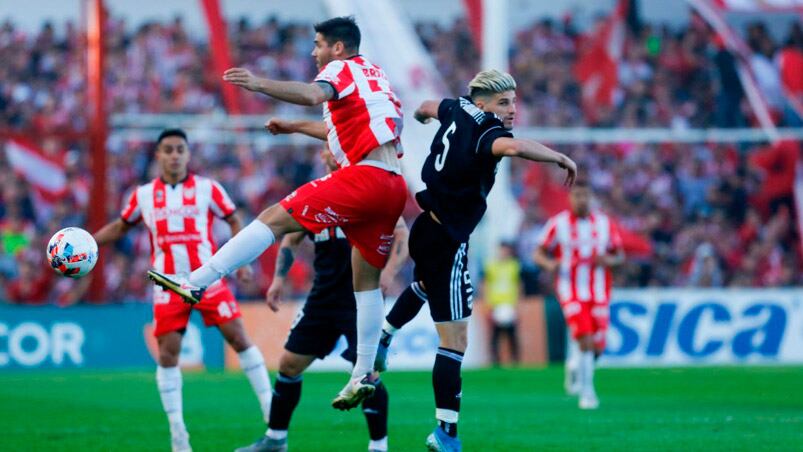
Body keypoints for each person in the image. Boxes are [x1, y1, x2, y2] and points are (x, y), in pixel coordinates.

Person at [147, 16, 408, 410]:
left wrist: (258, 84)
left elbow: (311, 94)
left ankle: (197, 281)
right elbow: (346, 127)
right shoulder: (376, 77)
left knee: (274, 217)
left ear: (338, 47)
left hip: (365, 178)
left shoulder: (338, 69)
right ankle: (363, 373)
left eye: (318, 43)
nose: (313, 51)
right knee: (365, 281)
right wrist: (294, 128)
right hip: (392, 184)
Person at [372, 70, 577, 451]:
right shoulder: (488, 132)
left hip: (426, 226)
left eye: (514, 101)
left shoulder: (458, 108)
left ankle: (385, 334)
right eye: (504, 102)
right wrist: (558, 156)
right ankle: (445, 432)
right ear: (482, 103)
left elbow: (426, 106)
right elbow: (513, 149)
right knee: (455, 342)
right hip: (448, 238)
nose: (512, 109)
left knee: (424, 285)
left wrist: (419, 116)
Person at [93, 129, 273, 452]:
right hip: (167, 283)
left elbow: (234, 220)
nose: (174, 155)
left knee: (239, 337)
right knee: (167, 354)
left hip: (206, 276)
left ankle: (270, 409)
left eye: (180, 149)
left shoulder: (208, 188)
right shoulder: (143, 195)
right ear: (159, 155)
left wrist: (243, 260)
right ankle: (178, 431)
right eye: (168, 150)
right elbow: (122, 226)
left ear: (188, 155)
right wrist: (90, 244)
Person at [237, 150, 408, 452]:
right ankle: (275, 439)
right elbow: (290, 237)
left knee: (367, 373)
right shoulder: (320, 193)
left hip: (358, 300)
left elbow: (402, 236)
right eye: (329, 147)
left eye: (337, 146)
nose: (331, 152)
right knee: (289, 364)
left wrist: (389, 272)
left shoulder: (369, 189)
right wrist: (279, 279)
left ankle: (378, 446)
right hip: (322, 298)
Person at [533, 180, 624, 410]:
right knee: (585, 338)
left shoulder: (605, 224)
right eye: (577, 195)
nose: (581, 200)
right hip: (570, 289)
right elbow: (538, 252)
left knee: (598, 346)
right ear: (570, 198)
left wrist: (609, 260)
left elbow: (620, 254)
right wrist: (549, 264)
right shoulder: (558, 224)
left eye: (585, 195)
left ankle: (575, 363)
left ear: (591, 197)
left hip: (599, 290)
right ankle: (588, 393)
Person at [483, 241, 522, 366]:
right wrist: (488, 304)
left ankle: (515, 360)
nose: (504, 253)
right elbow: (485, 285)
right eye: (502, 250)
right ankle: (495, 361)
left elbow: (518, 285)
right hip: (496, 305)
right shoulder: (491, 266)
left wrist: (518, 305)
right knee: (495, 335)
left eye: (506, 250)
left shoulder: (514, 266)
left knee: (512, 335)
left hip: (509, 305)